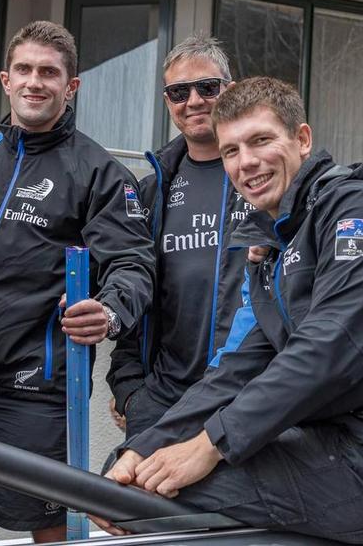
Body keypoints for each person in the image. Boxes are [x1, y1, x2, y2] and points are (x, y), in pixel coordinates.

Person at [101, 77, 363, 544]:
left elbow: (328, 350)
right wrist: (143, 445)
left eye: (260, 141)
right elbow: (238, 369)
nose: (245, 162)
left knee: (152, 497)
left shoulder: (361, 214)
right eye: (231, 151)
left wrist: (211, 443)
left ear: (302, 140)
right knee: (125, 478)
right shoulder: (275, 243)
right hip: (333, 445)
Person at [0, 20, 154, 543]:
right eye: (25, 70)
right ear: (5, 79)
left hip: (33, 391)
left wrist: (108, 312)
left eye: (50, 72)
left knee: (47, 527)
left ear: (71, 86)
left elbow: (133, 264)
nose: (35, 81)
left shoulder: (98, 173)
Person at [107, 34, 252, 439]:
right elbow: (133, 283)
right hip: (163, 400)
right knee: (132, 499)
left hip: (244, 397)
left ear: (231, 90)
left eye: (207, 87)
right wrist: (130, 389)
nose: (194, 102)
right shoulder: (152, 191)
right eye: (178, 92)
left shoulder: (261, 179)